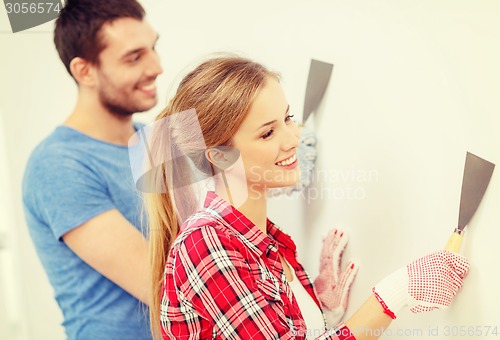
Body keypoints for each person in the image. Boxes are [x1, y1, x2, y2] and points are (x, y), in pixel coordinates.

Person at [143, 55, 470, 339]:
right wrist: (396, 292)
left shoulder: (265, 240)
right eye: (268, 132)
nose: (294, 138)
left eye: (287, 118)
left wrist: (320, 314)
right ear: (218, 155)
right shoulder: (207, 245)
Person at [22, 0, 162, 338]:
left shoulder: (158, 139)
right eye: (134, 57)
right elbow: (164, 288)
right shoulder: (56, 164)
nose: (157, 67)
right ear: (85, 71)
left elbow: (222, 224)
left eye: (154, 48)